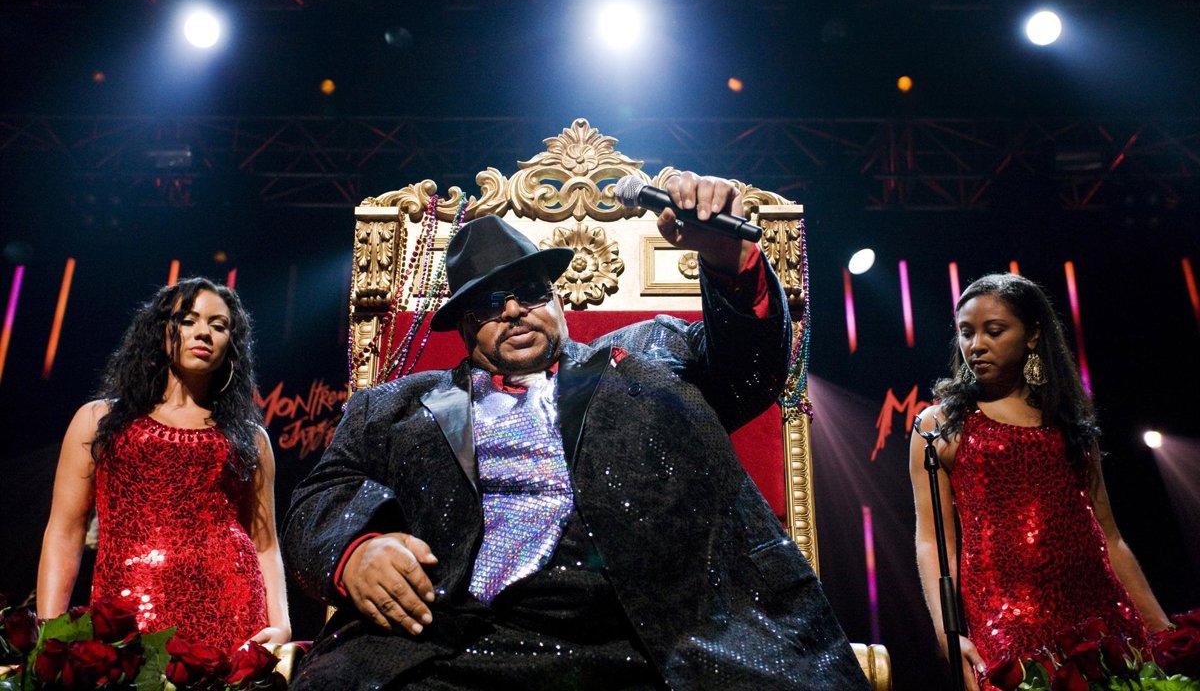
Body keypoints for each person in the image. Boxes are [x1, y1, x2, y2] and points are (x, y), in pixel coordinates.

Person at [282, 172, 868, 690]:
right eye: (490, 302)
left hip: (652, 640)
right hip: (454, 645)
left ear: (557, 300)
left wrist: (726, 260)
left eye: (531, 292)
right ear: (463, 327)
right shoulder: (392, 407)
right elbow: (320, 496)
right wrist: (355, 552)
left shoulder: (650, 355)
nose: (515, 310)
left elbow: (752, 368)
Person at [910, 272, 1170, 691]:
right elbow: (931, 541)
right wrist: (947, 631)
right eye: (966, 332)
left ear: (1032, 335)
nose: (976, 345)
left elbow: (1109, 537)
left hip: (1100, 613)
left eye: (994, 331)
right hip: (1005, 620)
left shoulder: (1069, 421)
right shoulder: (941, 424)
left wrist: (1160, 629)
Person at [37, 277, 290, 653]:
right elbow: (64, 533)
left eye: (218, 326)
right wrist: (48, 636)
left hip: (233, 619)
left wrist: (281, 624)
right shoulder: (99, 421)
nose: (203, 333)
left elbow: (265, 545)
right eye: (188, 320)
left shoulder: (250, 438)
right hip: (128, 621)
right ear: (160, 331)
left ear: (231, 346)